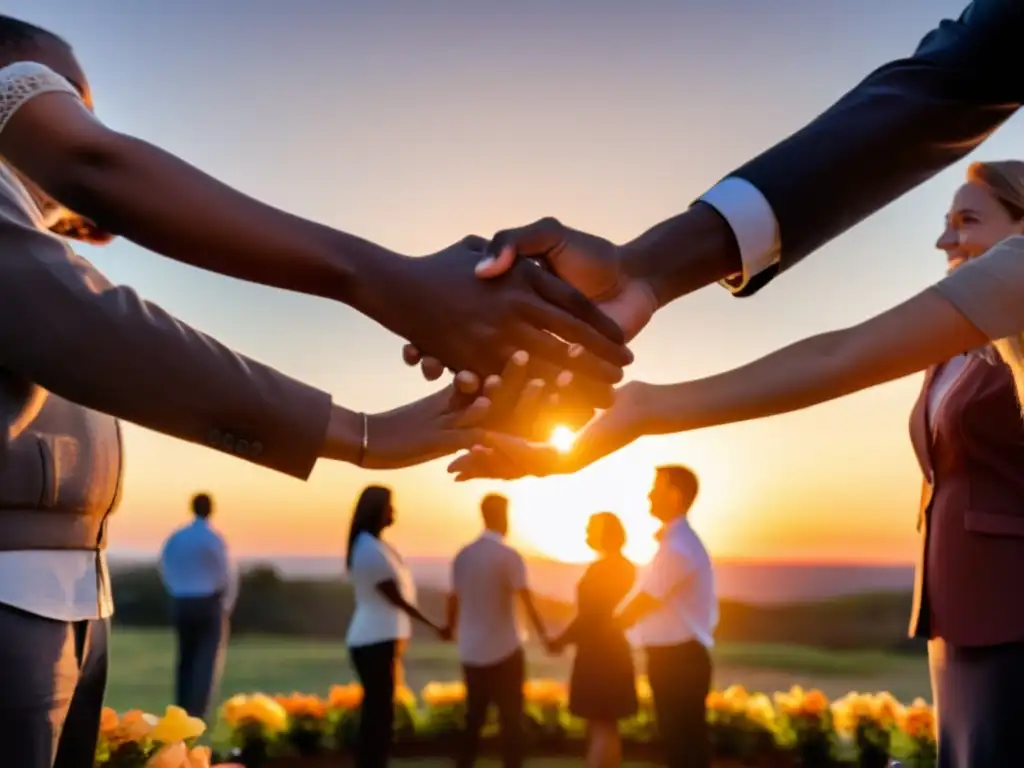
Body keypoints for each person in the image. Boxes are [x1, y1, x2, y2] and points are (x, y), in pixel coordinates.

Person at [0, 15, 597, 765]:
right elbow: (90, 320)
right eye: (65, 99)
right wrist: (360, 427)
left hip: (78, 595)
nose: (82, 128)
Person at [458, 163, 1024, 768]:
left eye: (967, 221)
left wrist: (646, 407)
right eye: (945, 223)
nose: (945, 241)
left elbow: (836, 357)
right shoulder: (956, 347)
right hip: (956, 613)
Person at [610, 466, 717, 768]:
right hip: (676, 659)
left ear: (674, 495)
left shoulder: (678, 547)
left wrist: (607, 627)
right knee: (682, 745)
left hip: (678, 662)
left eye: (655, 487)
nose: (648, 494)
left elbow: (644, 600)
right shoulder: (676, 542)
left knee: (683, 747)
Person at [443, 494, 549, 768]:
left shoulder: (463, 555)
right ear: (504, 516)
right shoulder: (509, 556)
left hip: (471, 650)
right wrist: (545, 636)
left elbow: (453, 599)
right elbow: (526, 598)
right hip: (506, 649)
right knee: (511, 721)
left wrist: (448, 629)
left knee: (473, 719)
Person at [345, 485, 443, 768]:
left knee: (380, 713)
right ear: (377, 509)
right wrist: (434, 624)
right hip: (373, 641)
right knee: (378, 715)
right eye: (390, 507)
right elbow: (396, 598)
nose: (394, 512)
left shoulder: (375, 546)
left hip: (380, 640)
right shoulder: (368, 549)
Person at [548, 512, 637, 768]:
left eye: (591, 528)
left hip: (599, 654)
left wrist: (561, 640)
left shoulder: (602, 569)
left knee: (600, 723)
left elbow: (590, 616)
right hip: (613, 650)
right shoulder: (626, 567)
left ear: (605, 533)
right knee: (608, 725)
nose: (586, 533)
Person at [158, 492, 238, 722]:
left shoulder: (177, 537)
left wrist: (176, 590)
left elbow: (164, 565)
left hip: (181, 601)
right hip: (207, 602)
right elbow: (226, 573)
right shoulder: (214, 538)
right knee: (206, 660)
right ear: (210, 509)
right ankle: (197, 713)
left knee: (185, 657)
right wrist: (225, 605)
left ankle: (181, 709)